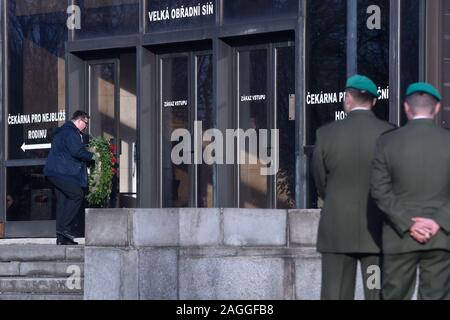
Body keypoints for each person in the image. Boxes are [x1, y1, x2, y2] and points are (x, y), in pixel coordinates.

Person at [312, 75, 395, 300]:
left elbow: (320, 181)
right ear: (374, 102)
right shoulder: (390, 134)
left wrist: (334, 198)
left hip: (337, 231)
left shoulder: (326, 134)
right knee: (377, 292)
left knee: (335, 294)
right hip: (377, 233)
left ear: (348, 98)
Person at [371, 83, 450, 300]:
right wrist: (438, 222)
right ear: (436, 108)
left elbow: (379, 190)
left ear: (406, 108)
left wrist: (408, 223)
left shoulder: (387, 141)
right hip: (441, 236)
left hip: (400, 236)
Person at [44, 111, 95, 245]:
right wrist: (94, 156)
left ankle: (62, 239)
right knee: (77, 195)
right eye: (86, 123)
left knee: (63, 202)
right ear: (79, 121)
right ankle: (64, 229)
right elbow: (77, 152)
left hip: (55, 172)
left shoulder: (63, 131)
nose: (86, 127)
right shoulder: (71, 133)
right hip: (62, 173)